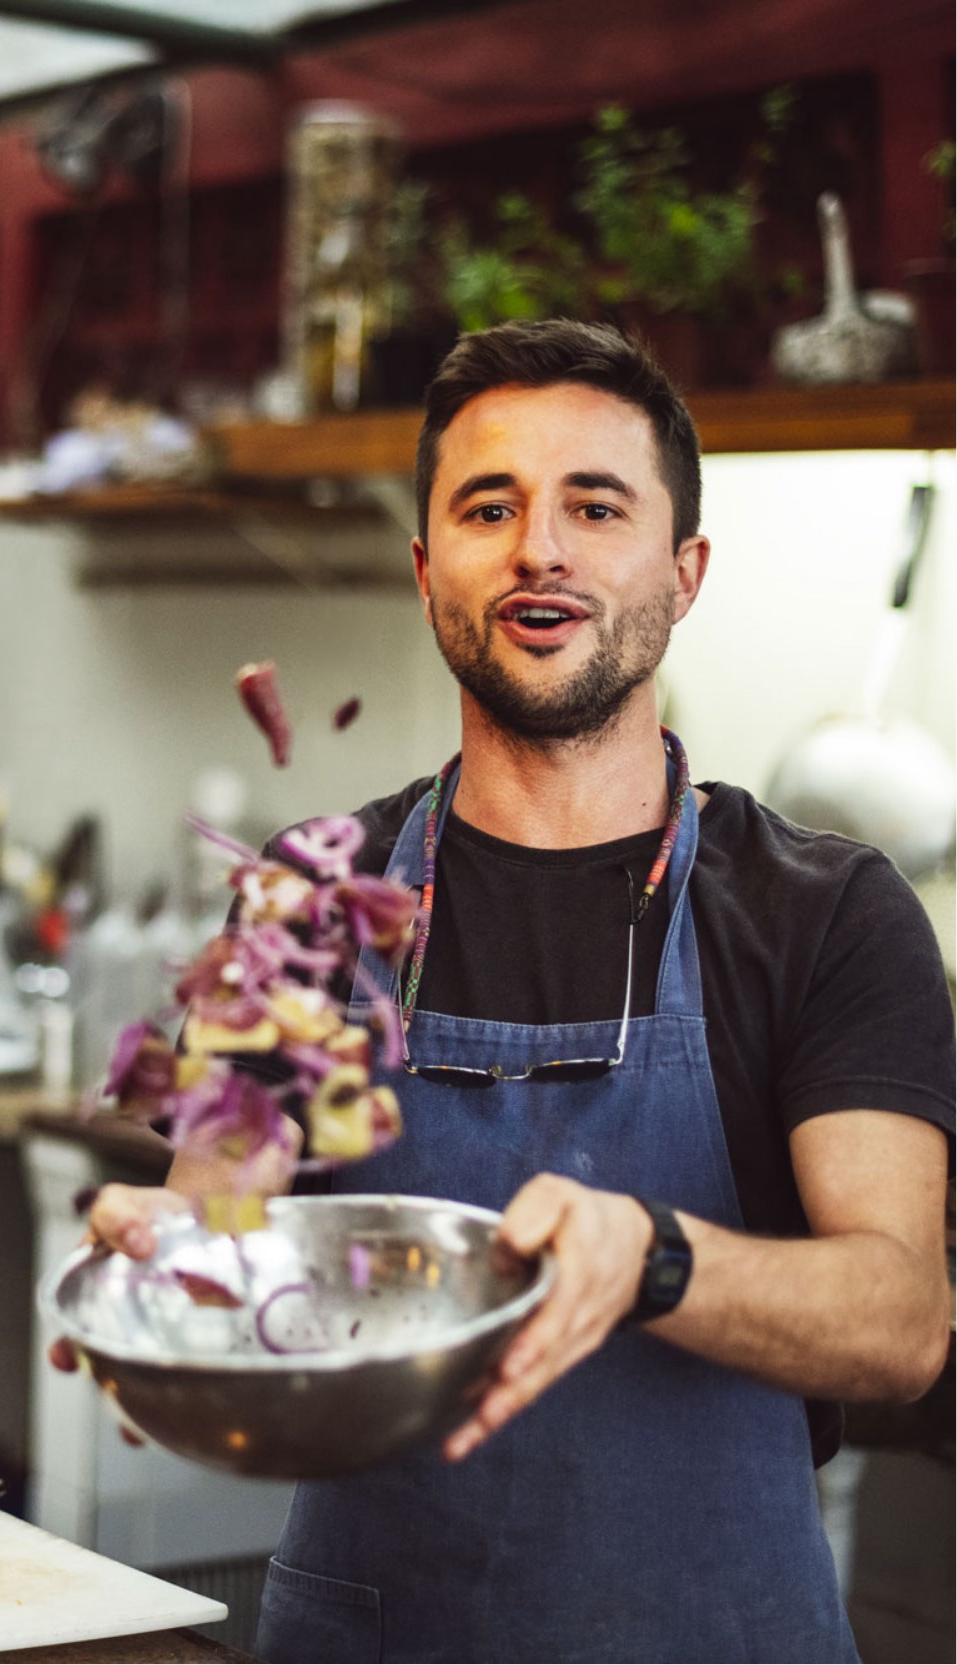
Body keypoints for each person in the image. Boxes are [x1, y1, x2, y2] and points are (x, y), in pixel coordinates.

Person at [53, 320, 954, 1663]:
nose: (540, 546)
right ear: (428, 572)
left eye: (595, 504)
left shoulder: (821, 911)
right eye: (489, 506)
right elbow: (216, 1240)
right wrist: (157, 1278)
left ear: (683, 570)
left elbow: (898, 1322)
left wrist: (649, 1256)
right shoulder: (309, 898)